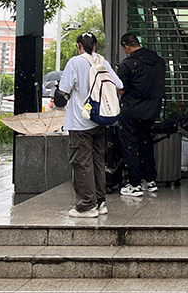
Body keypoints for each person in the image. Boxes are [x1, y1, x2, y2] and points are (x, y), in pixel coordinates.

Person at [59, 32, 123, 218]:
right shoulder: (102, 62)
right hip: (99, 120)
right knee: (98, 162)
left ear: (79, 45)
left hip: (80, 122)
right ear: (95, 46)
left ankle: (86, 205)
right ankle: (100, 202)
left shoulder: (75, 62)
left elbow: (63, 90)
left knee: (81, 163)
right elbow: (118, 84)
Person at [116, 33, 166, 197]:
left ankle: (135, 183)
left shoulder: (128, 64)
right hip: (151, 110)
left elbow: (121, 89)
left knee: (130, 145)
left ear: (126, 47)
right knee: (146, 143)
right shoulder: (158, 61)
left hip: (132, 109)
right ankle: (150, 181)